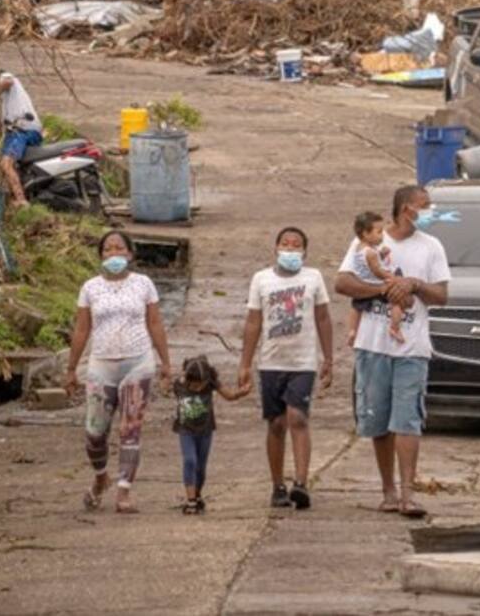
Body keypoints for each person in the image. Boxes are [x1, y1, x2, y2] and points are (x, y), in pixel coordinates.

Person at [335, 185, 450, 519]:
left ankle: (408, 494)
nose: (429, 211)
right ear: (404, 210)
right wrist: (384, 290)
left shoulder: (432, 247)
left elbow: (441, 294)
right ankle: (387, 490)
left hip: (413, 348)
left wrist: (414, 284)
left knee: (408, 420)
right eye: (423, 206)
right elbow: (343, 282)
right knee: (378, 420)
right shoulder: (371, 242)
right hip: (372, 345)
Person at [64, 230, 173, 514]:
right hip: (101, 363)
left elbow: (155, 323)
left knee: (130, 428)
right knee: (95, 431)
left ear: (130, 254)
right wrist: (71, 368)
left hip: (138, 361)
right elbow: (82, 329)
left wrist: (165, 363)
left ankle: (124, 490)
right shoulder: (90, 288)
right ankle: (102, 477)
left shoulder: (143, 284)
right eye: (108, 250)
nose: (114, 255)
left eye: (119, 249)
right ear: (101, 255)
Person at [238, 227, 334, 510]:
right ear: (276, 248)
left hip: (302, 362)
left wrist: (328, 358)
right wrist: (245, 362)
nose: (290, 250)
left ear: (304, 251)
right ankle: (277, 485)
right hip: (271, 361)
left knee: (298, 418)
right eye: (285, 244)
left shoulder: (313, 278)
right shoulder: (261, 280)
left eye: (296, 246)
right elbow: (253, 322)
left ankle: (301, 483)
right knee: (277, 423)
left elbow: (324, 318)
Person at [173, 354, 248, 515]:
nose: (198, 389)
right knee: (190, 460)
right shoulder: (179, 386)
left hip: (205, 431)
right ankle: (191, 500)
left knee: (201, 467)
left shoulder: (210, 384)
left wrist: (242, 392)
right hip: (186, 431)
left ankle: (197, 494)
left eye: (201, 385)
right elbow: (164, 387)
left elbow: (229, 395)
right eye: (194, 386)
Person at [347, 212, 405, 346]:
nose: (383, 235)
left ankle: (352, 330)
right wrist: (391, 277)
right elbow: (377, 270)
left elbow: (367, 262)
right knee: (397, 302)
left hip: (361, 281)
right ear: (366, 234)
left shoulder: (359, 248)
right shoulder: (371, 253)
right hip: (376, 283)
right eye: (379, 232)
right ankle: (395, 328)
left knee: (356, 307)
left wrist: (382, 254)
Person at [0, 69, 43, 206]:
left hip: (23, 130)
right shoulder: (8, 98)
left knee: (6, 163)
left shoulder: (9, 80)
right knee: (16, 165)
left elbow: (8, 80)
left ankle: (21, 200)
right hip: (21, 131)